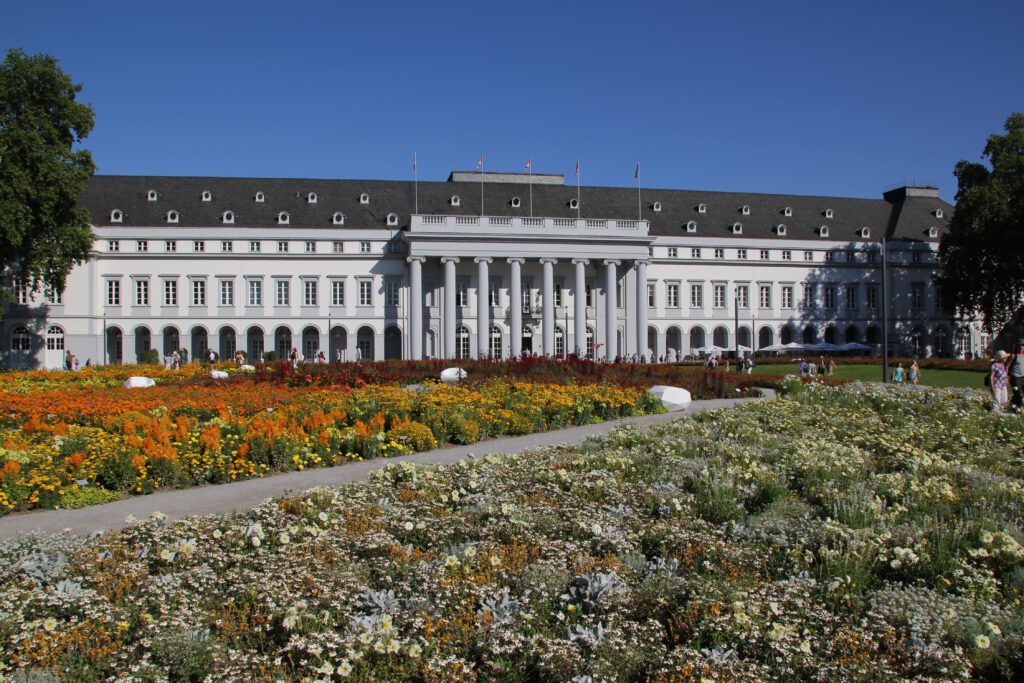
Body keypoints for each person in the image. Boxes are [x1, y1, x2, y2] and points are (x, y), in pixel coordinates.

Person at [1008, 340, 1024, 411]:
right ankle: (1020, 408)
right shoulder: (1014, 356)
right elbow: (1007, 366)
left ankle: (1011, 405)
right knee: (1019, 393)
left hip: (1023, 377)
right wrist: (1005, 377)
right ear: (1017, 347)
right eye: (1020, 346)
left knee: (1019, 394)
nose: (1022, 347)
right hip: (1015, 377)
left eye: (1023, 346)